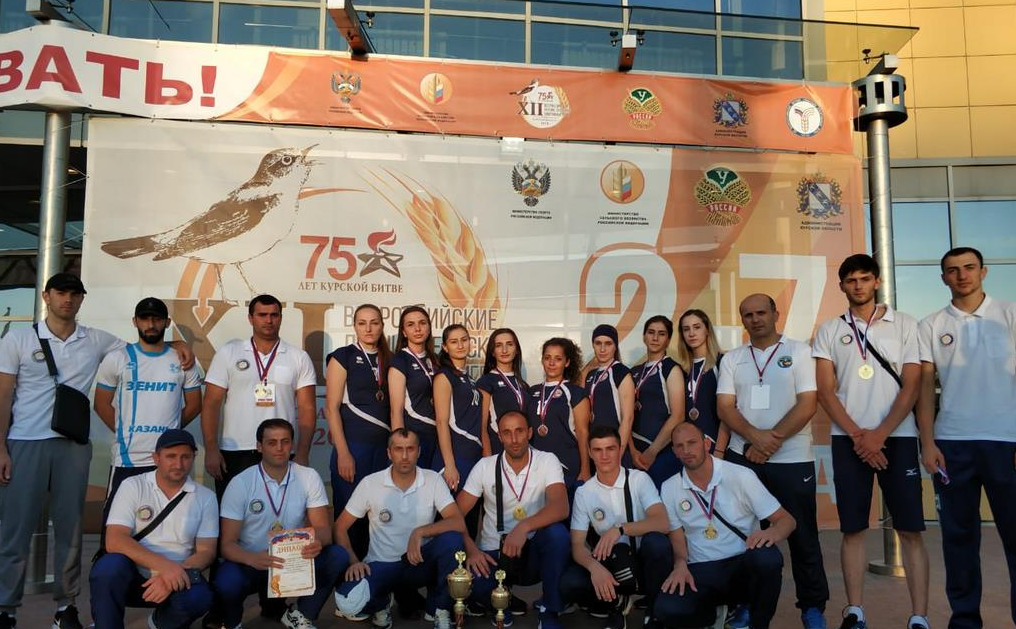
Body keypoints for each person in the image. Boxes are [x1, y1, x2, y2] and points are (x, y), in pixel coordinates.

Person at [0, 273, 193, 629]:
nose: (67, 299)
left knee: (70, 530)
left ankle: (66, 606)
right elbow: (3, 394)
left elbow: (146, 343)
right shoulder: (18, 338)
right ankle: (6, 608)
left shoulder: (96, 340)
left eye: (74, 294)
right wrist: (1, 446)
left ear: (82, 299)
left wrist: (178, 341)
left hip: (73, 446)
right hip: (25, 441)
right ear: (46, 296)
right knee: (15, 529)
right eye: (61, 292)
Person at [813, 254, 930, 629]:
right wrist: (859, 436)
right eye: (851, 280)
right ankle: (855, 611)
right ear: (842, 286)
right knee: (852, 530)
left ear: (876, 281)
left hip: (898, 438)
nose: (858, 285)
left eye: (864, 278)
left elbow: (912, 385)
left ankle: (919, 617)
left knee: (910, 531)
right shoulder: (830, 330)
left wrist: (878, 435)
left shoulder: (905, 324)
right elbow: (826, 391)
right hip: (849, 441)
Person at [917, 246, 1016, 629]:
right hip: (952, 444)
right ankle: (964, 621)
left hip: (1006, 442)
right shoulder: (931, 324)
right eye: (953, 270)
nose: (962, 275)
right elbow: (925, 388)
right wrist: (928, 443)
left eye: (969, 267)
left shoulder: (1009, 314)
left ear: (983, 271)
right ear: (943, 277)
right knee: (958, 540)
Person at [716, 293, 829, 629]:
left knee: (803, 536)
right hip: (743, 458)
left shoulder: (800, 351)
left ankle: (812, 608)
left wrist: (769, 442)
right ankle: (746, 605)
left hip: (792, 459)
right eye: (748, 314)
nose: (755, 319)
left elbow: (808, 403)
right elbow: (725, 407)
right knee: (745, 536)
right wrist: (755, 438)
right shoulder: (733, 358)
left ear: (775, 314)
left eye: (761, 312)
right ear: (742, 319)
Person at [655, 423, 794, 629]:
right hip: (701, 568)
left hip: (741, 563)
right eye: (680, 446)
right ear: (674, 451)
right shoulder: (669, 487)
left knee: (768, 558)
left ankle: (758, 623)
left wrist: (771, 533)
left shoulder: (741, 475)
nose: (687, 450)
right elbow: (677, 541)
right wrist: (680, 564)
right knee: (666, 609)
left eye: (692, 443)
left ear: (706, 444)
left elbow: (787, 520)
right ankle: (712, 617)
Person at [215, 419, 350, 629]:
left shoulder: (308, 476)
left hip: (293, 561)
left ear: (292, 445)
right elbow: (227, 545)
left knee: (337, 556)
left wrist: (316, 542)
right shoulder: (240, 483)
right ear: (259, 446)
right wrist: (251, 558)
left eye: (285, 442)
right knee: (227, 580)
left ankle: (300, 615)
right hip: (254, 561)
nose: (279, 448)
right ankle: (232, 623)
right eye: (272, 442)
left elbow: (324, 530)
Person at [332, 428, 466, 629]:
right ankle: (382, 602)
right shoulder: (370, 483)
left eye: (410, 449)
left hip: (419, 563)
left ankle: (439, 609)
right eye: (398, 449)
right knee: (347, 601)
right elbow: (340, 527)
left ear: (418, 452)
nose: (404, 456)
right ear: (389, 453)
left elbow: (457, 522)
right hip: (382, 565)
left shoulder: (433, 479)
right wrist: (353, 561)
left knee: (453, 540)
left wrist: (419, 532)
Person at [94, 297, 203, 543]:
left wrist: (171, 436)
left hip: (168, 460)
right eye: (144, 318)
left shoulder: (183, 360)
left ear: (167, 322)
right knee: (115, 532)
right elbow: (101, 404)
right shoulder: (118, 358)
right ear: (135, 321)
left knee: (168, 532)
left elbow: (195, 405)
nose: (151, 324)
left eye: (157, 319)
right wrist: (123, 432)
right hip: (127, 459)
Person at [89, 429, 217, 629]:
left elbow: (206, 552)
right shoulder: (133, 485)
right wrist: (166, 567)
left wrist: (171, 575)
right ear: (156, 458)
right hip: (133, 574)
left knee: (199, 597)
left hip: (178, 575)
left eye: (185, 457)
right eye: (171, 456)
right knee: (108, 569)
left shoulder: (205, 497)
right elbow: (114, 540)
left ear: (194, 458)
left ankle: (159, 623)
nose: (179, 464)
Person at [457, 411, 571, 629]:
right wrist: (471, 548)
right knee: (471, 584)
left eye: (519, 431)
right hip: (495, 554)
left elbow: (561, 507)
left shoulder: (547, 460)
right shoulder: (485, 466)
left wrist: (523, 527)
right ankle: (502, 603)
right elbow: (455, 514)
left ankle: (549, 610)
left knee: (558, 535)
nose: (514, 439)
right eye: (507, 433)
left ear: (529, 432)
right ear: (499, 436)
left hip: (534, 552)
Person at [202, 294, 317, 499]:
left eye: (274, 315)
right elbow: (211, 404)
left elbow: (307, 409)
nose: (268, 320)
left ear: (280, 318)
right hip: (236, 450)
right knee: (233, 513)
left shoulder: (298, 357)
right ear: (250, 318)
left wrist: (302, 453)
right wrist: (211, 449)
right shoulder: (229, 352)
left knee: (280, 512)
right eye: (262, 315)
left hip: (281, 450)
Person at [560, 425, 671, 629]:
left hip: (642, 563)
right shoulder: (584, 492)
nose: (604, 456)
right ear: (590, 452)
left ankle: (655, 612)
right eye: (598, 450)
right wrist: (595, 569)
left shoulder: (639, 479)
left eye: (610, 449)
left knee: (657, 543)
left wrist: (620, 529)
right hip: (610, 563)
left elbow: (662, 522)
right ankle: (615, 604)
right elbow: (577, 545)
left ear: (620, 449)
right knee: (570, 584)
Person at [325, 303, 393, 559]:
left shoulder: (391, 359)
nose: (368, 328)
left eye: (374, 322)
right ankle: (348, 573)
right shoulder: (342, 356)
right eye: (362, 323)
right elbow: (331, 408)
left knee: (381, 515)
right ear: (354, 326)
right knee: (350, 516)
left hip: (383, 450)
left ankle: (377, 572)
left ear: (382, 326)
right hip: (353, 447)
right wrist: (343, 453)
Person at [527, 337, 591, 493]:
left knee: (564, 506)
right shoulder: (532, 391)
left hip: (566, 464)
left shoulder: (576, 393)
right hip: (535, 465)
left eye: (558, 359)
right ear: (542, 360)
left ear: (567, 362)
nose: (551, 363)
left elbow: (582, 433)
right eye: (547, 358)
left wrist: (585, 469)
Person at [630, 316, 686, 489]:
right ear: (644, 336)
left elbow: (678, 416)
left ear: (668, 340)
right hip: (635, 452)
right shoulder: (635, 371)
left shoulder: (671, 369)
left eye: (661, 334)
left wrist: (652, 451)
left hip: (660, 450)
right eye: (651, 332)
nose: (655, 338)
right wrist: (632, 450)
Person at [434, 324, 484, 492]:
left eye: (464, 340)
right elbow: (441, 422)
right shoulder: (444, 376)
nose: (460, 345)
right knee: (452, 508)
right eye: (454, 342)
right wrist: (449, 465)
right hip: (456, 456)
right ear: (445, 347)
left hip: (473, 454)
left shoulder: (469, 378)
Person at [388, 306, 439, 470]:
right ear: (403, 332)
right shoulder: (400, 360)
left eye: (422, 323)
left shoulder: (436, 360)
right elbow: (396, 411)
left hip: (438, 437)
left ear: (429, 327)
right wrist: (400, 447)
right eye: (410, 325)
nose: (417, 329)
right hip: (414, 438)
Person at [676, 310, 728, 457]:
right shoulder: (683, 369)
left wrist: (719, 450)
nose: (691, 333)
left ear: (707, 330)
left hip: (717, 447)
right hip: (690, 449)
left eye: (697, 327)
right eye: (686, 329)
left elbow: (730, 411)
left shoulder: (722, 362)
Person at [583, 325, 635, 464]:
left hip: (614, 452)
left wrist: (617, 455)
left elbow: (628, 418)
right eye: (598, 343)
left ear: (615, 346)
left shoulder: (621, 372)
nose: (602, 349)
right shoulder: (591, 374)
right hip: (596, 448)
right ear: (593, 345)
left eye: (608, 343)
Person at [477, 328, 528, 456]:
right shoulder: (486, 382)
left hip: (521, 452)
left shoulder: (523, 384)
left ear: (517, 350)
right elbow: (482, 426)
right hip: (497, 450)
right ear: (493, 352)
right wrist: (488, 458)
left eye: (509, 344)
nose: (504, 350)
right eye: (498, 345)